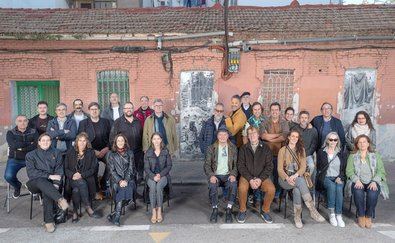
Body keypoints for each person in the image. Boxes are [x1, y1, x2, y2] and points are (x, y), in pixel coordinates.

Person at [277, 130, 325, 229]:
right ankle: (312, 210)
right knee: (300, 182)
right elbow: (279, 169)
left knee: (297, 190)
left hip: (296, 177)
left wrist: (294, 176)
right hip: (284, 179)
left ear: (298, 139)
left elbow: (303, 168)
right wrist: (287, 178)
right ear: (289, 137)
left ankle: (297, 217)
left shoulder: (301, 150)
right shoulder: (282, 150)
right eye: (292, 136)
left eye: (296, 137)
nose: (294, 138)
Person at [25, 133, 69, 233]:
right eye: (43, 140)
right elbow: (32, 173)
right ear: (39, 142)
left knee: (47, 190)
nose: (46, 142)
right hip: (34, 183)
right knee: (42, 181)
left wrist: (56, 184)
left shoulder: (56, 153)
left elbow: (59, 170)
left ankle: (48, 222)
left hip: (50, 184)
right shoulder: (31, 155)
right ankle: (60, 199)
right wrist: (49, 176)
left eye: (48, 140)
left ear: (51, 142)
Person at [346, 134, 388, 229]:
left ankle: (368, 216)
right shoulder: (352, 156)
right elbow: (349, 171)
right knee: (358, 192)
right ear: (357, 145)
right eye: (359, 142)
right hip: (358, 181)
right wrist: (356, 180)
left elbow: (381, 170)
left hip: (372, 181)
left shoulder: (375, 155)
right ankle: (361, 215)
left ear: (368, 143)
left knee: (372, 194)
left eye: (364, 142)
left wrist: (374, 181)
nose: (362, 144)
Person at [236, 126, 276, 224]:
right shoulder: (243, 148)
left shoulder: (266, 148)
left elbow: (269, 166)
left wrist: (260, 179)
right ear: (248, 136)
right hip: (247, 177)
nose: (252, 135)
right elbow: (240, 166)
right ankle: (242, 210)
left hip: (261, 177)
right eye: (250, 134)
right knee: (241, 188)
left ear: (258, 135)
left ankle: (265, 211)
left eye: (254, 133)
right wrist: (250, 179)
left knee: (271, 189)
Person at [203, 126, 238, 223]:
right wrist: (211, 175)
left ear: (228, 136)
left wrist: (233, 174)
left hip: (228, 175)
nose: (222, 136)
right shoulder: (211, 148)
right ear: (217, 136)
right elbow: (207, 165)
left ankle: (229, 209)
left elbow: (236, 165)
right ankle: (215, 209)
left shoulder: (233, 148)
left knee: (233, 185)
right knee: (213, 186)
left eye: (224, 134)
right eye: (220, 134)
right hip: (216, 174)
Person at [65, 132, 100, 223]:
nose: (82, 143)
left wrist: (81, 175)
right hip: (72, 180)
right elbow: (65, 168)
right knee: (81, 183)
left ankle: (75, 212)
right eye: (80, 140)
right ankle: (88, 207)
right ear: (76, 142)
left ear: (87, 142)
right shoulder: (70, 152)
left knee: (76, 190)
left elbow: (93, 169)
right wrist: (73, 175)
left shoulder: (91, 153)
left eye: (84, 141)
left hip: (87, 178)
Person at [78, 102, 111, 198]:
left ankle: (104, 182)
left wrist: (107, 148)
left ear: (99, 110)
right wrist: (92, 150)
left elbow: (111, 137)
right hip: (90, 151)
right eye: (92, 109)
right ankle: (96, 188)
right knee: (94, 167)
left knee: (112, 161)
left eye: (96, 109)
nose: (94, 111)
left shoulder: (106, 122)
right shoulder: (83, 123)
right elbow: (81, 139)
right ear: (89, 111)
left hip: (105, 150)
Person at [316, 132, 347, 227]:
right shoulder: (321, 152)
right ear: (327, 140)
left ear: (337, 141)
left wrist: (340, 177)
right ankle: (332, 213)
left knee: (338, 188)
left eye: (335, 140)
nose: (333, 141)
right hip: (325, 177)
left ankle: (339, 215)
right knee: (332, 187)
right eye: (331, 139)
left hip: (338, 177)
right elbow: (319, 168)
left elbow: (343, 168)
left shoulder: (341, 152)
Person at [4, 115, 38, 198]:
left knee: (36, 174)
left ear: (27, 122)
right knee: (8, 176)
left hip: (31, 158)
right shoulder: (10, 133)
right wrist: (29, 144)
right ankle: (17, 186)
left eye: (24, 120)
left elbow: (36, 145)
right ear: (16, 122)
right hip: (15, 159)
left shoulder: (34, 131)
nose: (22, 123)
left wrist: (21, 148)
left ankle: (33, 187)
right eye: (20, 121)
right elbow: (13, 145)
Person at [260, 102, 289, 199]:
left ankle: (276, 195)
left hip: (280, 153)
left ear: (280, 111)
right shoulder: (265, 121)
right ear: (270, 111)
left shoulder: (284, 122)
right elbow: (262, 135)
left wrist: (269, 138)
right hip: (266, 153)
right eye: (272, 110)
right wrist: (278, 135)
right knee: (267, 174)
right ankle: (267, 194)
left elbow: (284, 137)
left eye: (276, 110)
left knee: (278, 175)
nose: (274, 112)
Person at [106, 134, 136, 226]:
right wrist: (120, 181)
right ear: (115, 142)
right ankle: (117, 216)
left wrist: (126, 180)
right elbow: (112, 171)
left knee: (126, 188)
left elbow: (131, 169)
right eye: (118, 141)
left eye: (122, 140)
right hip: (115, 180)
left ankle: (115, 214)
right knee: (121, 189)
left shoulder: (130, 153)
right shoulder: (111, 154)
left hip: (128, 179)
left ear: (125, 142)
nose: (120, 142)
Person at [110, 102, 144, 181]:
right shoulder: (118, 122)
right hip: (124, 153)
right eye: (126, 108)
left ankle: (134, 191)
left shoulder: (137, 121)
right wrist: (116, 152)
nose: (129, 110)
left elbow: (142, 135)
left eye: (130, 108)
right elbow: (112, 138)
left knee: (135, 172)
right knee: (126, 173)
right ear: (123, 110)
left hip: (137, 152)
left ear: (133, 109)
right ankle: (127, 191)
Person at [144, 132, 172, 224]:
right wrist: (153, 176)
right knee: (152, 187)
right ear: (152, 140)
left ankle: (159, 210)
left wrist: (160, 175)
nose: (156, 141)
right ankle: (153, 211)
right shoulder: (148, 152)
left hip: (163, 175)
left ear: (161, 140)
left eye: (158, 138)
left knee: (159, 186)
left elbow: (169, 166)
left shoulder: (165, 151)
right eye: (154, 139)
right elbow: (146, 168)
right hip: (151, 176)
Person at [295, 111, 318, 177]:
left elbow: (314, 145)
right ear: (299, 118)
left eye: (306, 118)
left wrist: (306, 154)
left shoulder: (313, 130)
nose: (304, 119)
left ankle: (308, 181)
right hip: (296, 153)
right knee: (294, 167)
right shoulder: (295, 129)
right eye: (302, 117)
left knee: (311, 166)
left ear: (308, 119)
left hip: (308, 154)